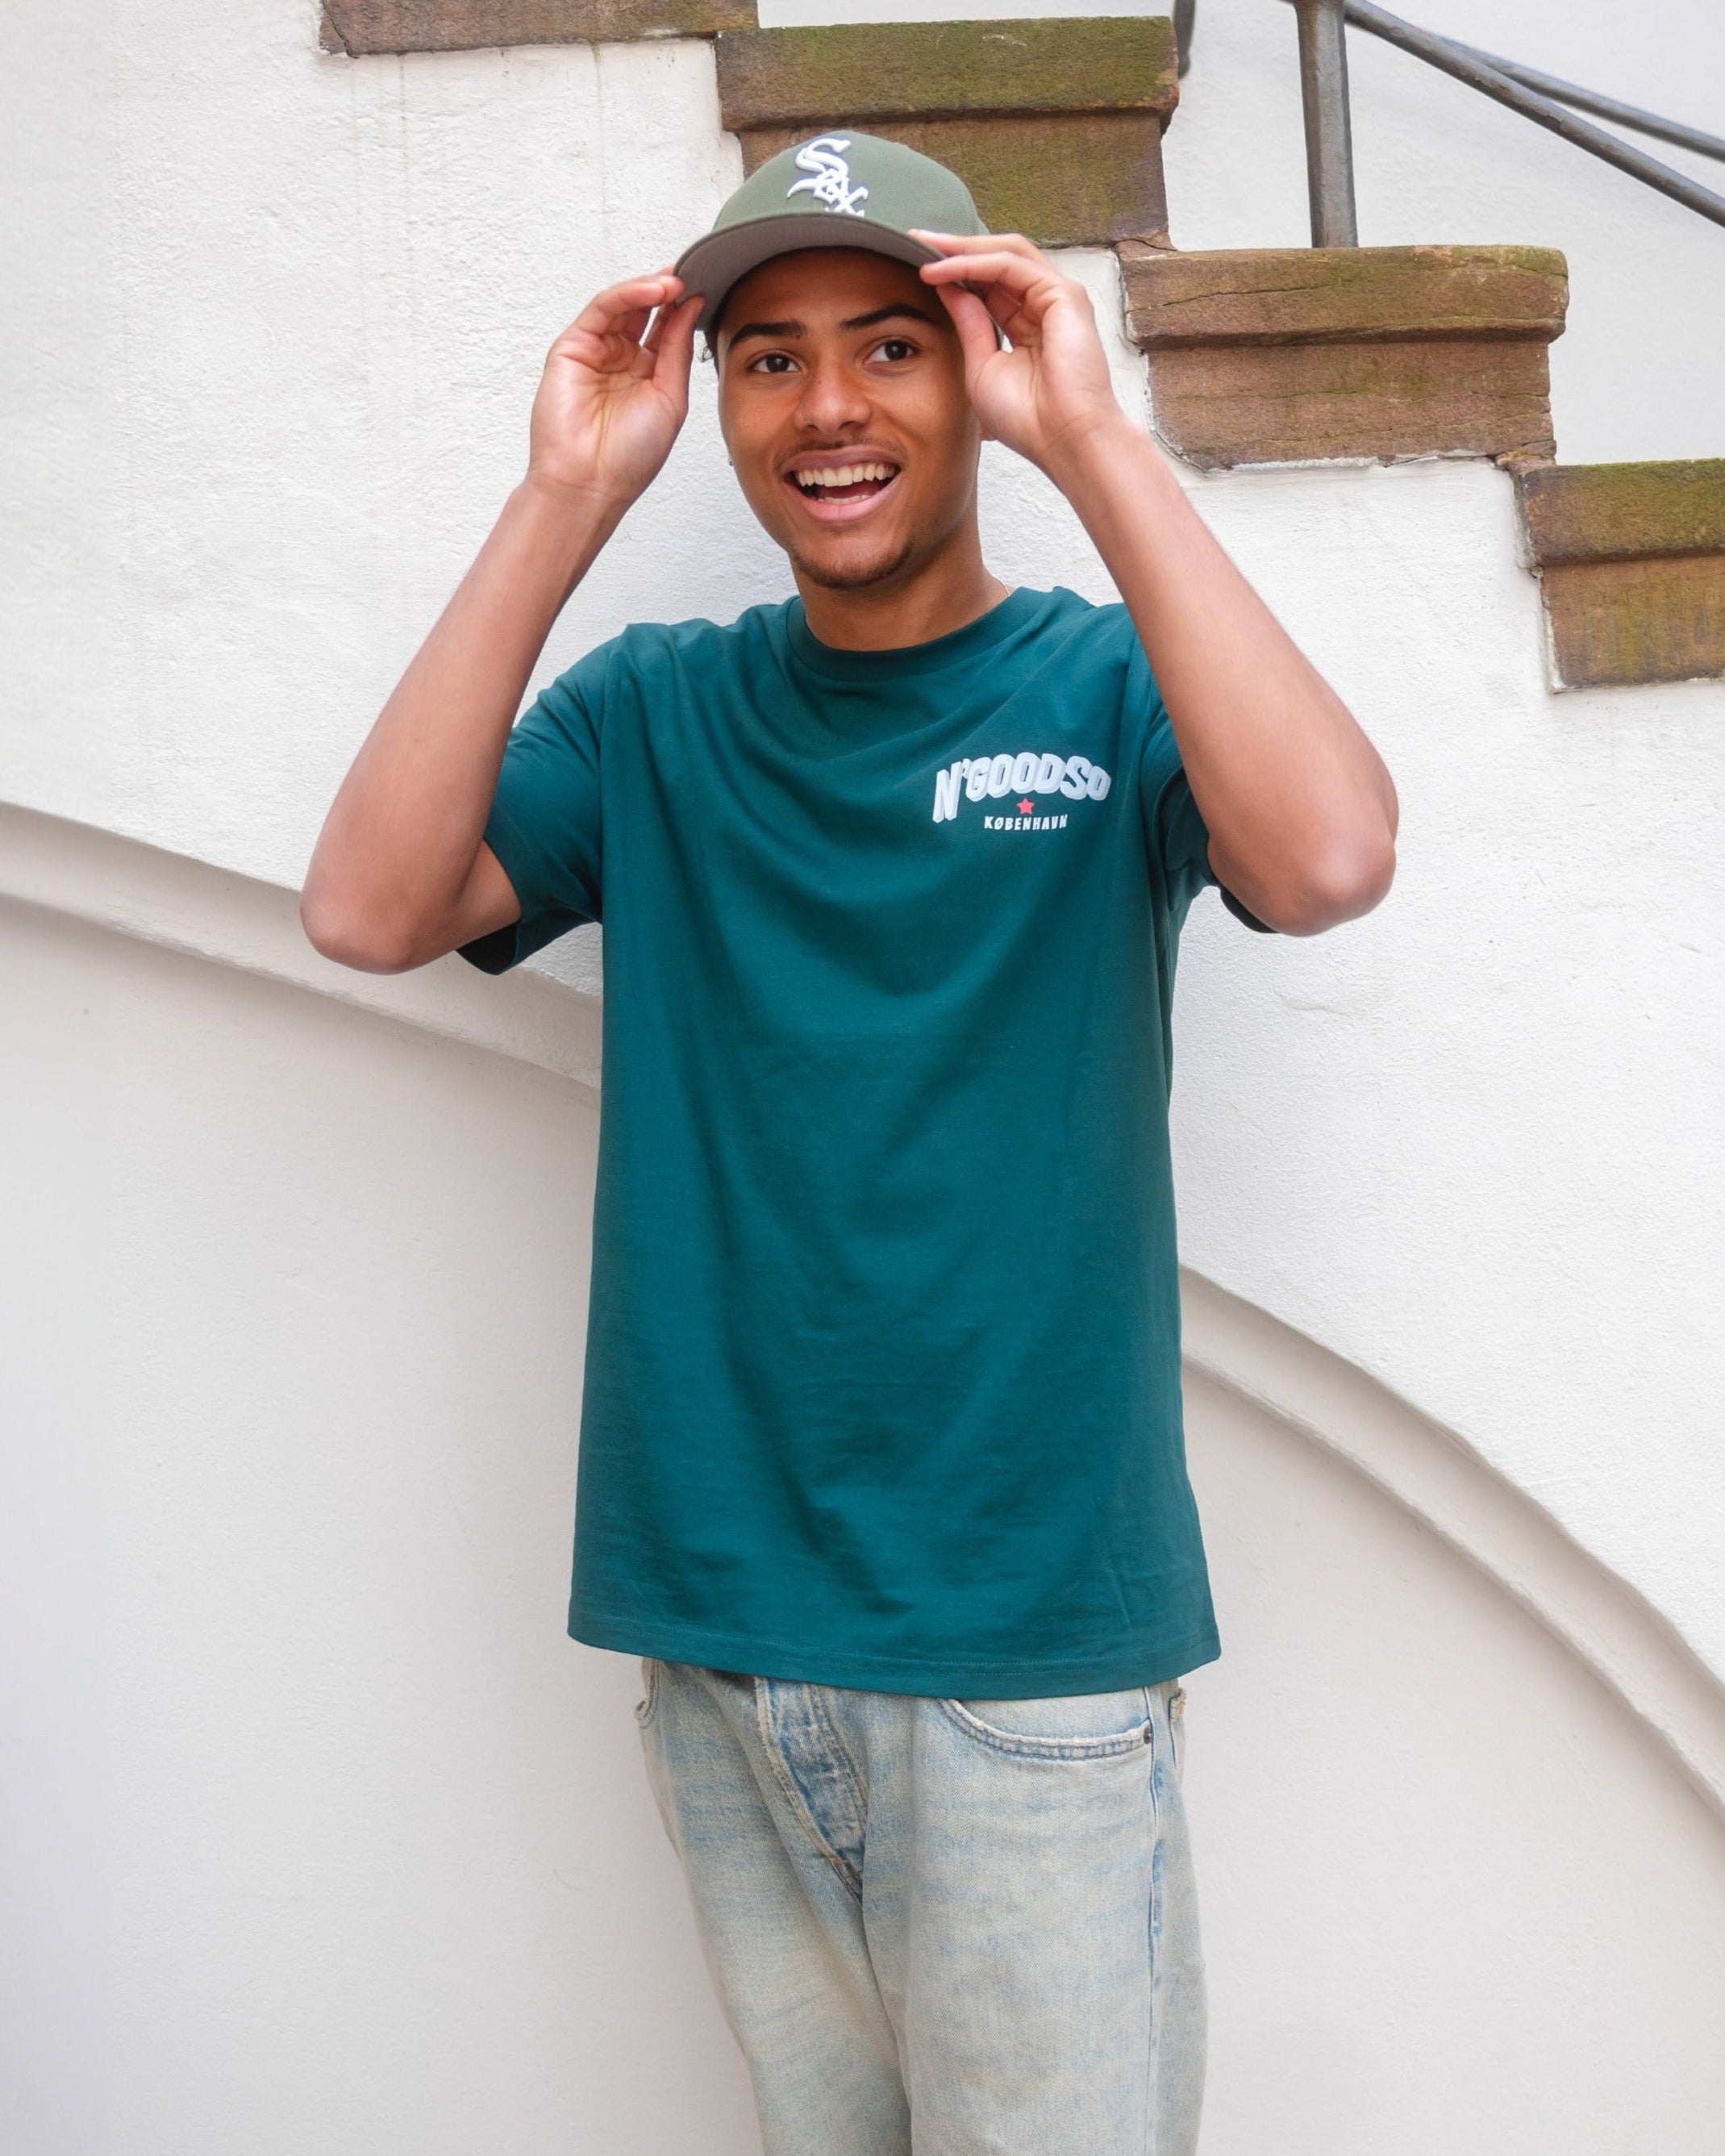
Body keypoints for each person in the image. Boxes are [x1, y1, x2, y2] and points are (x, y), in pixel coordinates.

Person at [302, 132, 1396, 2156]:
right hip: (725, 1637)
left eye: (889, 346)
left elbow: (1326, 856)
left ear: (973, 369)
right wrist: (565, 496)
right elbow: (369, 908)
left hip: (1026, 1646)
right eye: (770, 357)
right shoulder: (653, 714)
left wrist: (1094, 441)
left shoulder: (1104, 688)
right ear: (716, 399)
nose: (827, 407)